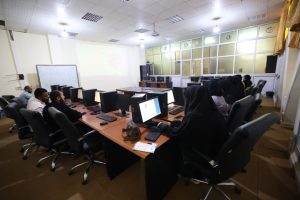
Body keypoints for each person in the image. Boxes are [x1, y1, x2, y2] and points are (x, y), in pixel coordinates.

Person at [158, 85, 229, 178]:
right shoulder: (212, 110)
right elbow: (193, 127)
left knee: (172, 142)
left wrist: (161, 125)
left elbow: (177, 134)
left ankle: (182, 169)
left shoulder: (195, 116)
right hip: (217, 152)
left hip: (207, 156)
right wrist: (181, 124)